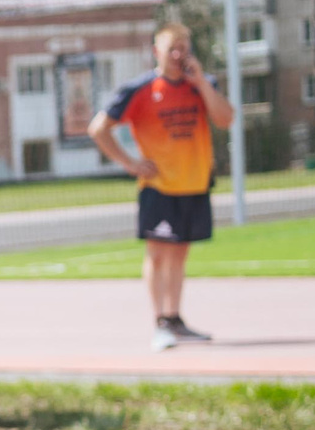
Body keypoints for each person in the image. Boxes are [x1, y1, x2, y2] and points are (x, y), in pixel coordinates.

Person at [89, 22, 236, 351]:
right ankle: (159, 323)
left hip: (194, 184)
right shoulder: (140, 89)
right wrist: (130, 163)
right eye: (171, 48)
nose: (178, 54)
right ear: (156, 51)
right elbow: (98, 128)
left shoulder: (201, 85)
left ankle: (175, 318)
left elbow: (226, 119)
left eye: (183, 47)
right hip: (158, 187)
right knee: (158, 256)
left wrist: (201, 82)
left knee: (180, 254)